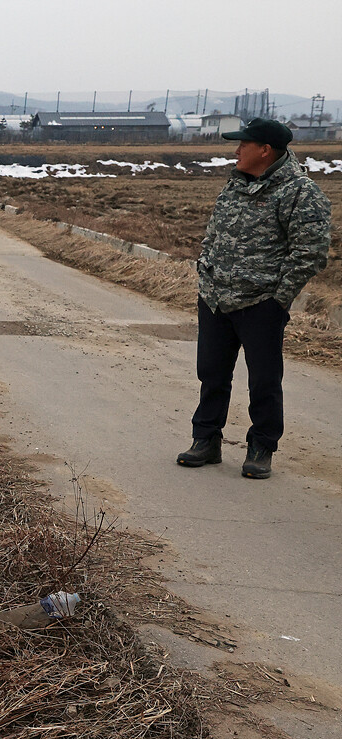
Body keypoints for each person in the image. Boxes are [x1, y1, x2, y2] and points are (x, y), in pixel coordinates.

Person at [177, 118, 331, 478]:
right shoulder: (233, 186)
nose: (236, 150)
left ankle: (261, 446)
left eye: (243, 145)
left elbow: (311, 252)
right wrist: (207, 270)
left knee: (263, 380)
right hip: (216, 299)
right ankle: (206, 440)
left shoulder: (299, 192)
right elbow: (213, 233)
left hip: (261, 303)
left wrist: (278, 298)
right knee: (211, 373)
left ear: (264, 150)